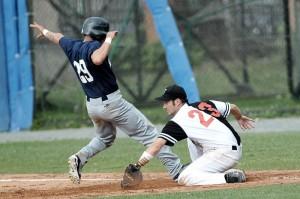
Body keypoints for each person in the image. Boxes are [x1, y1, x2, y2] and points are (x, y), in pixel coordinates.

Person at [30, 17, 184, 184]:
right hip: (112, 104)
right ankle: (177, 171)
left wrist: (45, 31)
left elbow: (57, 36)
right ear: (99, 34)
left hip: (93, 106)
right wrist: (109, 38)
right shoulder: (96, 46)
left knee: (105, 138)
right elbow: (97, 58)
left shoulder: (73, 46)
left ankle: (79, 158)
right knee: (149, 134)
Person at [132, 84, 255, 186]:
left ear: (178, 101)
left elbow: (157, 145)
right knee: (191, 138)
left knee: (184, 177)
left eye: (167, 102)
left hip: (223, 153)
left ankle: (228, 178)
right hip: (233, 147)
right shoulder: (204, 104)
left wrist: (137, 165)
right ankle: (214, 171)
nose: (164, 106)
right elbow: (232, 107)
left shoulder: (178, 120)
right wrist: (239, 117)